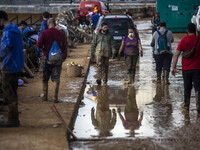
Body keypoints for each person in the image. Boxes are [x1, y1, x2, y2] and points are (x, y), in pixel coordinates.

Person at [0, 10, 24, 127]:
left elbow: (4, 49)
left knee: (9, 94)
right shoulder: (16, 30)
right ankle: (14, 118)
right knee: (13, 92)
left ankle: (13, 120)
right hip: (16, 65)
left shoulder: (7, 33)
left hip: (9, 66)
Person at [37, 18, 67, 103]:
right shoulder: (61, 34)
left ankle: (44, 96)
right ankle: (55, 97)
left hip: (46, 58)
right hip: (58, 58)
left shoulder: (44, 33)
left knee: (44, 78)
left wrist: (43, 49)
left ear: (48, 24)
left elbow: (39, 45)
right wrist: (63, 57)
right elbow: (65, 47)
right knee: (56, 78)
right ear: (55, 24)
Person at [171, 23, 200, 112]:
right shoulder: (199, 40)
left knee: (187, 87)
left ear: (187, 31)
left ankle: (186, 105)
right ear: (195, 30)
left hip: (186, 69)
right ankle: (198, 106)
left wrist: (173, 67)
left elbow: (176, 54)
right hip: (198, 69)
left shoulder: (184, 40)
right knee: (198, 87)